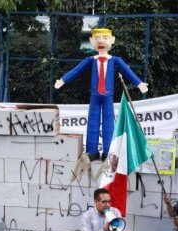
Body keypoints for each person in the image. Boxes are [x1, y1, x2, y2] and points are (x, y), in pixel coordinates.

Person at [54, 28, 148, 161]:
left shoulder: (115, 60)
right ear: (92, 41)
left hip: (108, 96)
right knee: (92, 123)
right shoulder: (90, 60)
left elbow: (128, 72)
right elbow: (76, 70)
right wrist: (63, 80)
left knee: (109, 123)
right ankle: (92, 151)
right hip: (95, 96)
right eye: (97, 38)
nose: (101, 41)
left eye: (105, 38)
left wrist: (139, 83)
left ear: (112, 40)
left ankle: (108, 151)